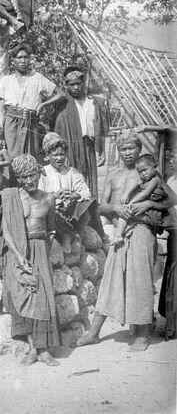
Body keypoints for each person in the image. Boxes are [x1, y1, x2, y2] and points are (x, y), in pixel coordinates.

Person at [76, 133, 177, 352]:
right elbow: (101, 206)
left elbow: (171, 199)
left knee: (140, 281)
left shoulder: (149, 174)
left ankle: (141, 334)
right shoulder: (113, 175)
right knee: (110, 280)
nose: (127, 152)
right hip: (119, 233)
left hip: (142, 229)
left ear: (139, 149)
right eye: (123, 149)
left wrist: (150, 201)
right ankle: (94, 332)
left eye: (131, 148)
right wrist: (115, 208)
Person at [0, 154, 60, 366]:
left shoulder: (48, 198)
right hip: (17, 251)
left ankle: (43, 350)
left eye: (32, 175)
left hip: (40, 248)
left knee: (42, 298)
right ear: (18, 178)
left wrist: (43, 254)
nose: (29, 181)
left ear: (38, 174)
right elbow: (6, 230)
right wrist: (18, 255)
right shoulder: (11, 197)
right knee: (23, 297)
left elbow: (51, 230)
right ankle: (33, 347)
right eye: (24, 177)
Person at [38, 132, 104, 253]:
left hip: (71, 213)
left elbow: (86, 192)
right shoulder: (43, 173)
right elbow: (38, 198)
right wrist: (54, 196)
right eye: (55, 155)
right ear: (48, 156)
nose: (59, 158)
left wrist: (74, 195)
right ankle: (66, 238)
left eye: (62, 154)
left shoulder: (72, 172)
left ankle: (78, 236)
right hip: (54, 213)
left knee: (89, 202)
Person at [0, 44, 63, 161]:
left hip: (31, 122)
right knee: (12, 156)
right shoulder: (5, 80)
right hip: (11, 122)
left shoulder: (37, 78)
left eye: (26, 57)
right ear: (13, 61)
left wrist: (43, 104)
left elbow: (60, 94)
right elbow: (2, 109)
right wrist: (1, 131)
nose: (23, 61)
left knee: (31, 156)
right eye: (19, 57)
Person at [53, 66, 109, 200]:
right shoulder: (63, 106)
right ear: (66, 86)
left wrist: (101, 150)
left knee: (90, 179)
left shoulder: (93, 103)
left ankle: (90, 212)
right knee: (73, 179)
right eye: (72, 85)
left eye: (78, 83)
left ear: (83, 83)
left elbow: (101, 130)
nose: (76, 87)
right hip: (70, 148)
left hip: (89, 146)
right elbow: (57, 131)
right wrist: (62, 153)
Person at [113, 153, 171, 245]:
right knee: (126, 213)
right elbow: (135, 183)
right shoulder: (145, 179)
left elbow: (145, 193)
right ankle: (120, 232)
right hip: (147, 212)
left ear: (154, 167)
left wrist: (131, 202)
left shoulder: (155, 179)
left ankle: (119, 234)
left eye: (145, 170)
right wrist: (126, 194)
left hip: (154, 215)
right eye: (140, 171)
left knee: (127, 213)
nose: (143, 174)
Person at [159, 152, 177, 340]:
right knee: (173, 278)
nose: (172, 160)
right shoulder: (171, 180)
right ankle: (171, 325)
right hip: (175, 234)